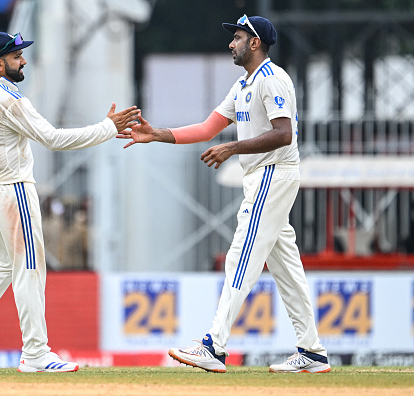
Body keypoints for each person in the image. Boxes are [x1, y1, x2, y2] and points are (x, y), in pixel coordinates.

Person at [119, 15, 330, 374]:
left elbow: (283, 134)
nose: (231, 43)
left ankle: (213, 345)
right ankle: (311, 351)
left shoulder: (272, 79)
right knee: (286, 268)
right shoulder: (243, 85)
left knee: (241, 255)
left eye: (237, 37)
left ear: (255, 42)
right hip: (261, 175)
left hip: (272, 174)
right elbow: (206, 128)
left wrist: (232, 149)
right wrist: (157, 135)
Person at [0, 31, 139, 372]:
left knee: (2, 265)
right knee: (30, 268)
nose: (23, 60)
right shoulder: (8, 98)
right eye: (16, 57)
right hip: (12, 189)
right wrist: (105, 128)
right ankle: (36, 354)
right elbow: (53, 139)